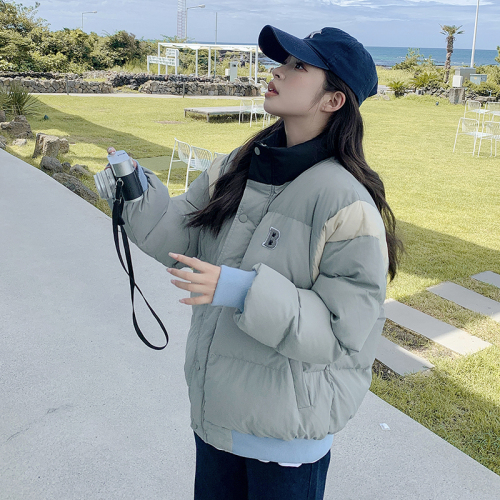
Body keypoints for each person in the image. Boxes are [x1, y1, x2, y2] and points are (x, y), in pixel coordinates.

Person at [109, 24, 402, 500]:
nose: (278, 72)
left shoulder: (347, 202)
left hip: (286, 436)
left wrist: (243, 290)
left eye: (298, 66)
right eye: (283, 62)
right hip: (217, 416)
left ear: (334, 100)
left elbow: (340, 332)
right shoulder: (238, 163)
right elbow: (180, 235)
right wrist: (135, 197)